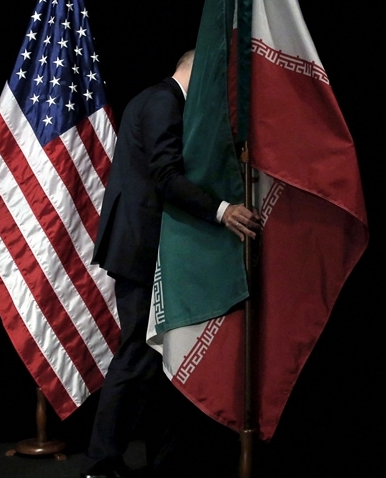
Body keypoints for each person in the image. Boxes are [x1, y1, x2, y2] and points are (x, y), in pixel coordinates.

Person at [81, 50, 261, 478]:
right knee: (138, 356)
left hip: (140, 244)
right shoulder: (165, 102)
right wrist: (223, 210)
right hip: (141, 247)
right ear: (196, 73)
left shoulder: (150, 99)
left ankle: (159, 458)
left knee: (154, 358)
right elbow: (165, 175)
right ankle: (100, 463)